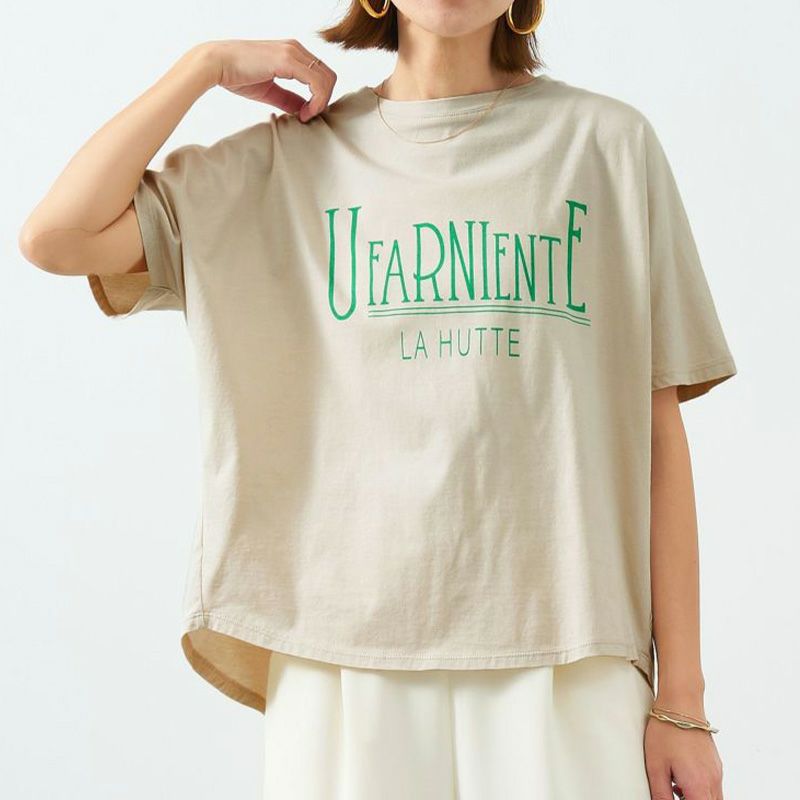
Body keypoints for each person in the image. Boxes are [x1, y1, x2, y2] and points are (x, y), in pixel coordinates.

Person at [19, 1, 735, 798]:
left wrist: (684, 700)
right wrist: (204, 66)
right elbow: (58, 236)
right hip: (340, 659)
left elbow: (656, 437)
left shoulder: (607, 146)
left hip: (569, 651)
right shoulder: (286, 164)